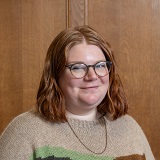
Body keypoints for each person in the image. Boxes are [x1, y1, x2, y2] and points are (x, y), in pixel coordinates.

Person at [0, 25, 155, 160]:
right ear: (55, 76)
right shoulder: (25, 131)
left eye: (100, 65)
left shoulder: (129, 128)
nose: (92, 76)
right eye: (78, 67)